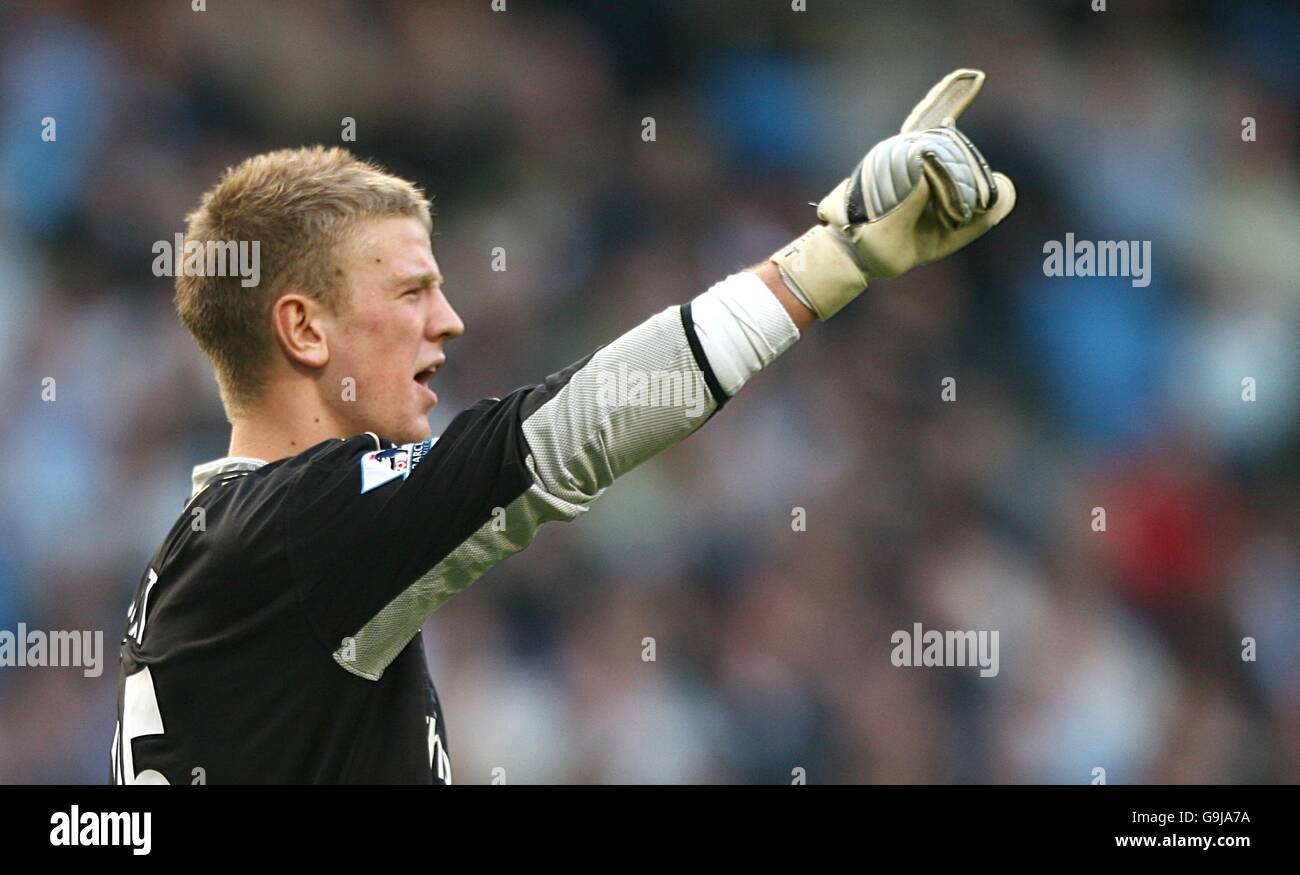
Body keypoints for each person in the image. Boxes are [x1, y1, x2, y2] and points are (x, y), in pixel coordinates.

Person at [111, 69, 1015, 784]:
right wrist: (831, 260)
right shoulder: (298, 525)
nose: (448, 321)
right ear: (305, 329)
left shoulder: (242, 550)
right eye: (412, 291)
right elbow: (556, 435)